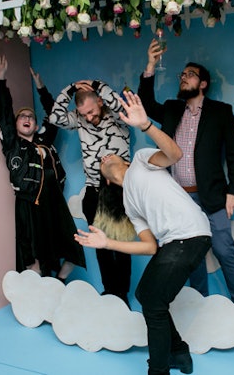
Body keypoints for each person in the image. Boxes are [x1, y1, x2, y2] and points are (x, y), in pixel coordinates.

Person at [75, 91, 212, 375]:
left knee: (151, 298)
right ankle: (179, 354)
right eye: (100, 161)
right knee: (145, 294)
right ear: (107, 181)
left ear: (123, 161)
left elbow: (175, 154)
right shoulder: (129, 203)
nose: (105, 156)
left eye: (110, 155)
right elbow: (149, 246)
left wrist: (146, 125)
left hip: (191, 234)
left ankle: (158, 369)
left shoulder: (141, 160)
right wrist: (106, 242)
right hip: (175, 242)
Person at [137, 39, 234, 307]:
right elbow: (145, 103)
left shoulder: (221, 112)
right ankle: (201, 303)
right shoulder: (172, 109)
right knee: (192, 253)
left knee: (224, 250)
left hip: (212, 196)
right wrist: (150, 64)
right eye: (182, 75)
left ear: (203, 83)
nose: (183, 78)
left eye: (189, 75)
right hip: (180, 197)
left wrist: (233, 193)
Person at [34, 76, 132, 305]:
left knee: (122, 244)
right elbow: (56, 117)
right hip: (92, 191)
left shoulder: (119, 116)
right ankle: (109, 292)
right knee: (101, 245)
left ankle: (122, 295)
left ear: (99, 101)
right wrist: (70, 89)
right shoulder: (79, 118)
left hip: (117, 190)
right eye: (84, 113)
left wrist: (97, 84)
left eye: (91, 111)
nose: (89, 117)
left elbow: (117, 103)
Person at [0, 54, 86, 280]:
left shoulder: (44, 140)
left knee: (72, 249)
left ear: (35, 124)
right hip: (29, 203)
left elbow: (54, 115)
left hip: (54, 201)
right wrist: (1, 80)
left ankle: (58, 282)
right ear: (15, 125)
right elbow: (4, 115)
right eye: (22, 116)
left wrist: (41, 88)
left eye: (31, 117)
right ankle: (38, 291)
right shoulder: (13, 144)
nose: (27, 118)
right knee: (33, 256)